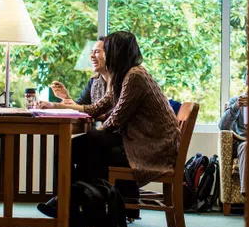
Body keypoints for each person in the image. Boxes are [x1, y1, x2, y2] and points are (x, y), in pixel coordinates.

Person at [37, 31, 181, 217]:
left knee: (83, 148)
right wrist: (57, 105)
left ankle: (70, 206)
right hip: (139, 141)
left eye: (108, 50)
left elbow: (116, 119)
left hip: (153, 148)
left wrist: (97, 131)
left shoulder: (135, 76)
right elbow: (97, 108)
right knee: (83, 149)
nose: (104, 54)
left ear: (117, 52)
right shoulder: (122, 77)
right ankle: (73, 207)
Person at [49, 36, 108, 106]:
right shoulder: (94, 81)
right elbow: (79, 107)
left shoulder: (120, 83)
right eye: (91, 52)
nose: (91, 56)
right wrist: (66, 97)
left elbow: (111, 114)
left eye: (97, 51)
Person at [219, 71, 248, 195]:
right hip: (243, 142)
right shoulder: (236, 100)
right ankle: (247, 193)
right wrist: (236, 107)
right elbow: (222, 126)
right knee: (247, 146)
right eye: (248, 74)